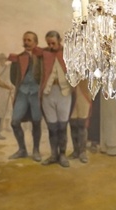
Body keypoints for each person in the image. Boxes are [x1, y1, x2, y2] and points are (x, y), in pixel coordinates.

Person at [6, 31, 43, 161]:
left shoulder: (41, 57)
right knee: (15, 122)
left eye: (29, 40)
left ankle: (36, 150)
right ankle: (22, 150)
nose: (26, 42)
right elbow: (13, 77)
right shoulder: (18, 58)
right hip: (22, 92)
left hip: (36, 93)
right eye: (25, 40)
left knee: (36, 122)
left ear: (36, 43)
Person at [39, 31, 72, 168]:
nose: (51, 46)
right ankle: (53, 155)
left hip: (64, 93)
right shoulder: (44, 55)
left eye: (53, 43)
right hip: (48, 93)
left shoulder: (69, 53)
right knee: (52, 127)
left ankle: (62, 155)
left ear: (60, 40)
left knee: (62, 126)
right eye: (49, 43)